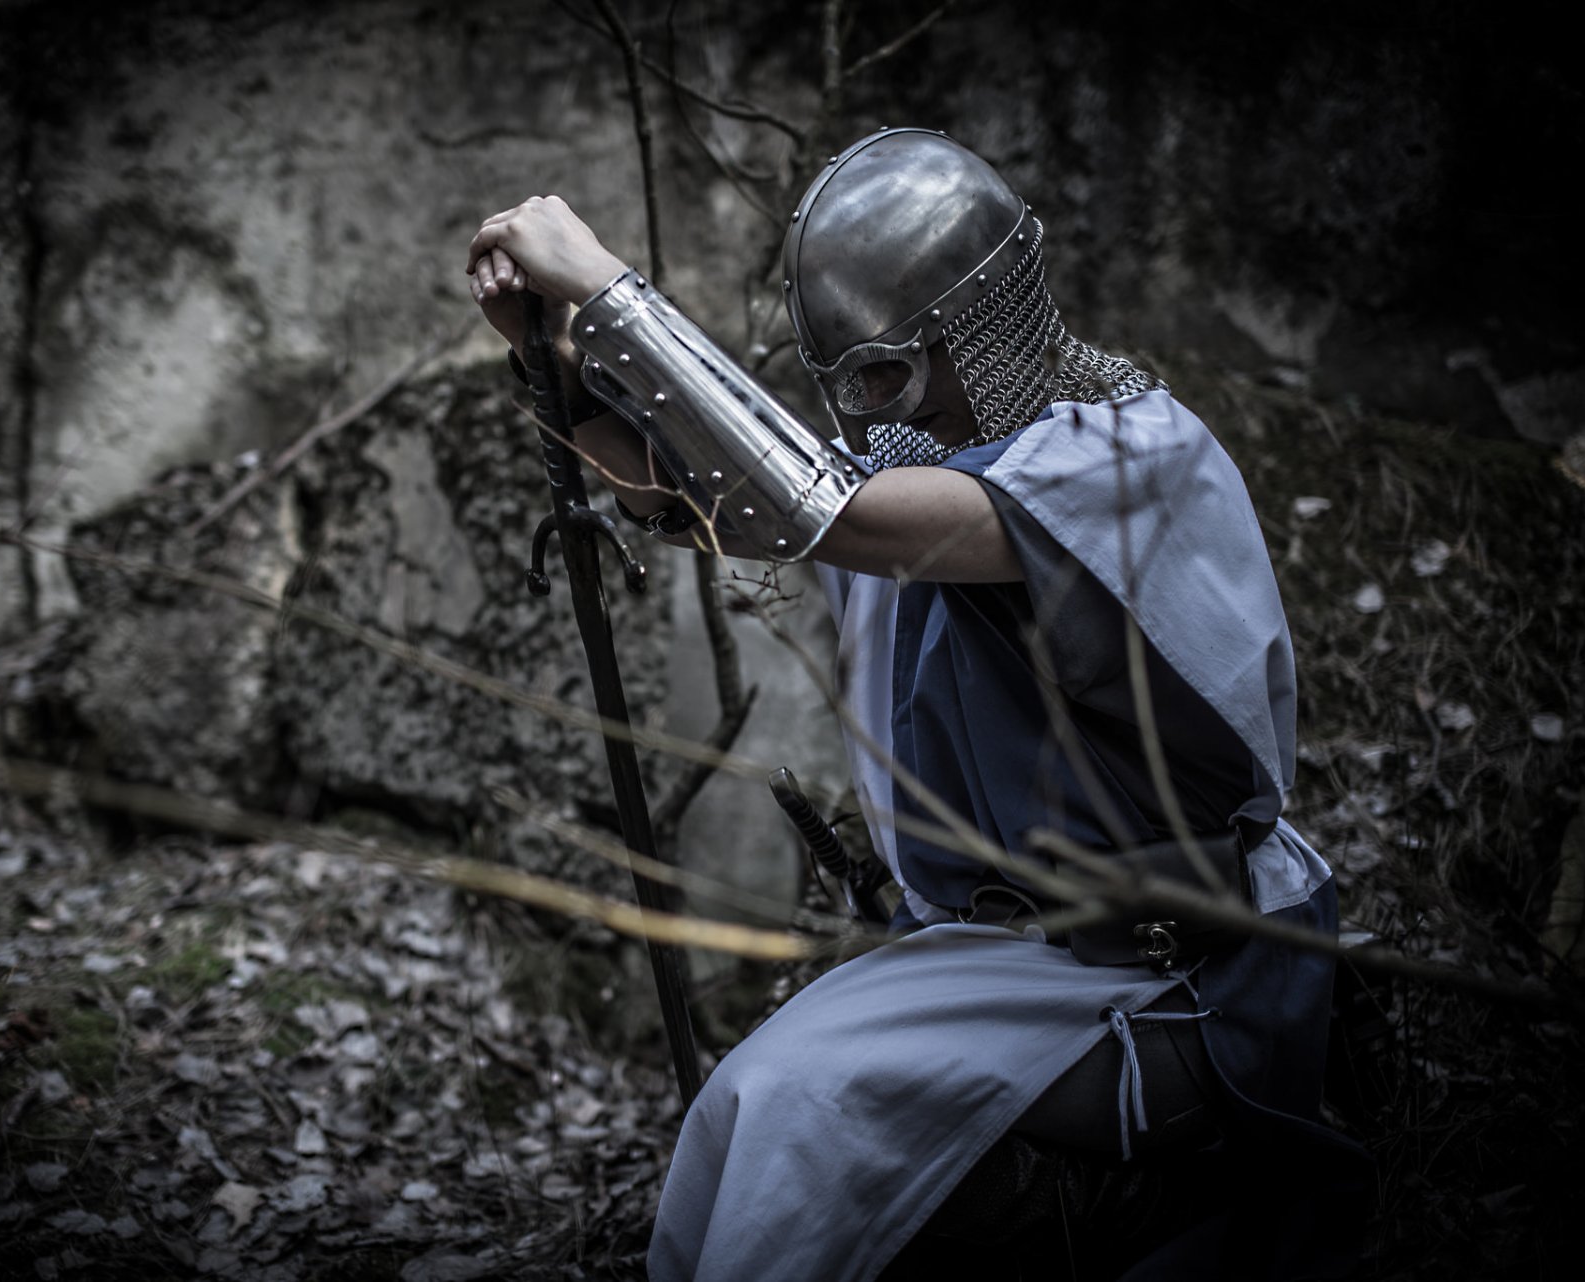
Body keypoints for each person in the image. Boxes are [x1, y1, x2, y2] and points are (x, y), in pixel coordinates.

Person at [465, 129, 1368, 1281]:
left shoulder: (1129, 459)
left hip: (1167, 967)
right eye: (854, 384)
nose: (877, 409)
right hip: (1000, 958)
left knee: (788, 1106)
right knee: (749, 1116)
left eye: (892, 372)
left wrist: (610, 294)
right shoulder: (916, 463)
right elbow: (712, 505)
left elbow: (819, 515)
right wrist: (560, 359)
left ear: (982, 323)